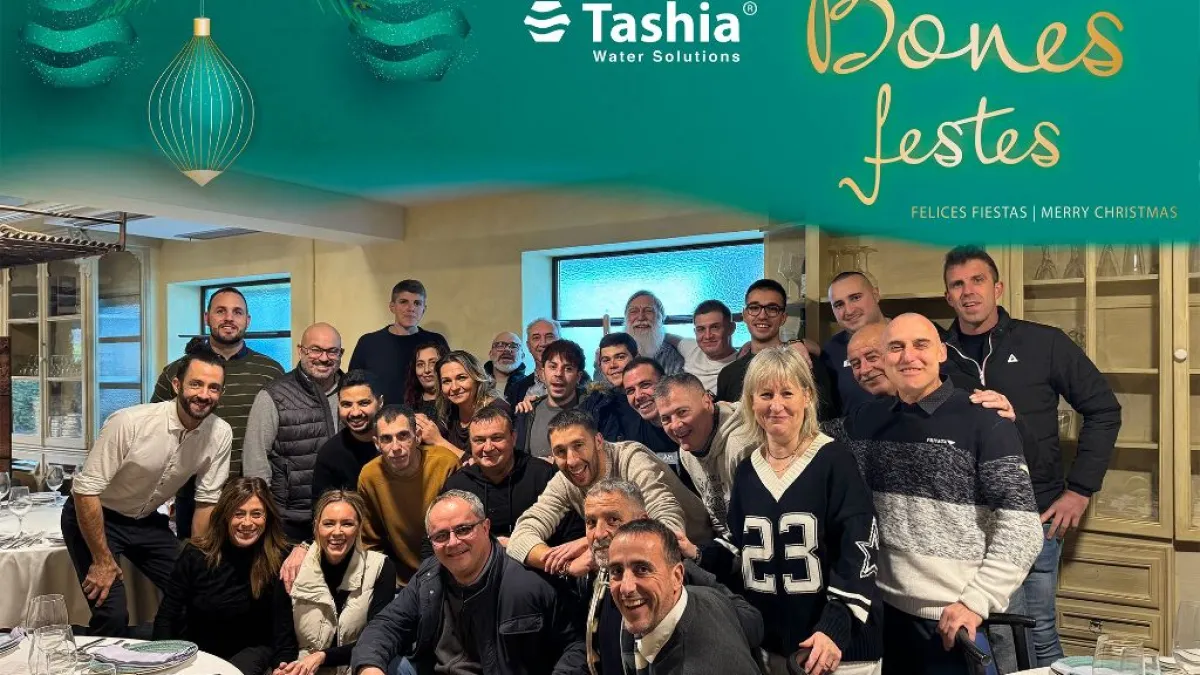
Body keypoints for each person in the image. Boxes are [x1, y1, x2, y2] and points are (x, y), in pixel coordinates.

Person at [939, 246, 1122, 666]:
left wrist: (1079, 490)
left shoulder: (1044, 342)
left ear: (998, 288)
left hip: (1037, 515)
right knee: (986, 637)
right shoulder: (936, 354)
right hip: (968, 524)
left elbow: (1104, 409)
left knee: (1036, 633)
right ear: (948, 296)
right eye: (957, 284)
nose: (968, 292)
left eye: (978, 280)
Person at [839, 313, 1044, 675]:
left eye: (920, 344)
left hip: (954, 620)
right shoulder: (866, 421)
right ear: (885, 358)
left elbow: (1022, 529)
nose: (908, 356)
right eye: (896, 347)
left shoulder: (984, 418)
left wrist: (976, 601)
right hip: (884, 615)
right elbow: (798, 431)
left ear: (941, 352)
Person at [726, 347, 882, 675]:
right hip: (770, 649)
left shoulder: (834, 460)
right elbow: (739, 541)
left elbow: (859, 549)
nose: (776, 405)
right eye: (765, 394)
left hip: (835, 650)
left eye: (787, 393)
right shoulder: (747, 469)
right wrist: (694, 554)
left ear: (807, 396)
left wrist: (836, 626)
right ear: (751, 402)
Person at [63, 352, 232, 636]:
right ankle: (79, 649)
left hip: (146, 522)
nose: (204, 395)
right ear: (177, 385)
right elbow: (85, 491)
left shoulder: (220, 433)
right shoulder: (129, 422)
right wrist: (102, 560)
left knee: (198, 592)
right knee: (113, 613)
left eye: (213, 388)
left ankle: (162, 651)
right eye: (196, 384)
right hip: (95, 514)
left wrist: (200, 562)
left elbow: (206, 502)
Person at [347, 491, 587, 675]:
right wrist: (369, 668)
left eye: (463, 529)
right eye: (441, 535)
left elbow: (577, 646)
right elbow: (387, 625)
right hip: (433, 669)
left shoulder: (530, 580)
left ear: (486, 527)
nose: (453, 542)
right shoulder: (429, 575)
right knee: (383, 663)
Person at [580, 479, 764, 675]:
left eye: (613, 520)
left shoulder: (681, 579)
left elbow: (751, 625)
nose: (599, 534)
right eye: (591, 522)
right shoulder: (600, 574)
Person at [506, 409, 713, 578]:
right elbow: (520, 537)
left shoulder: (631, 459)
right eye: (560, 452)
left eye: (578, 445)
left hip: (698, 556)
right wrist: (566, 565)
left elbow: (668, 524)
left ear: (598, 441)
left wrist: (591, 542)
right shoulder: (564, 480)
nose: (572, 460)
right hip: (633, 562)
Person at [151, 286, 285, 539]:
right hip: (192, 492)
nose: (229, 318)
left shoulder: (270, 371)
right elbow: (156, 430)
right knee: (197, 559)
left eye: (237, 312)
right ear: (207, 317)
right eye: (220, 311)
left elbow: (281, 435)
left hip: (249, 494)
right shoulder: (177, 371)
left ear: (247, 320)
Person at [153, 478, 290, 675]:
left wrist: (282, 665)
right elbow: (168, 614)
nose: (247, 523)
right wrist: (160, 662)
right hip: (199, 648)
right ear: (225, 515)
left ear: (267, 517)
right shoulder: (195, 554)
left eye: (256, 514)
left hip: (252, 648)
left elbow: (283, 626)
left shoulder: (278, 558)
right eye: (238, 513)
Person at [607, 519, 764, 674]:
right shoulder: (708, 595)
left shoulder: (698, 667)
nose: (625, 588)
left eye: (642, 569)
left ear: (677, 576)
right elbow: (752, 623)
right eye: (617, 571)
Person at [272, 490, 396, 675]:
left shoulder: (381, 568)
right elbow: (284, 642)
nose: (337, 532)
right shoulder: (292, 566)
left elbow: (376, 640)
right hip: (304, 668)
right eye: (328, 523)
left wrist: (323, 656)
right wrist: (284, 667)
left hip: (357, 666)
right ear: (316, 527)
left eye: (347, 524)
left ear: (359, 527)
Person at [243, 323, 346, 542]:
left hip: (343, 515)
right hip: (290, 519)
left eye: (332, 351)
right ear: (301, 351)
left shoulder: (352, 393)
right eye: (315, 350)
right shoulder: (273, 395)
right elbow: (255, 460)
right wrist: (262, 511)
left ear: (341, 354)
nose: (324, 358)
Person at [439, 405, 582, 546]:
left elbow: (572, 534)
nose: (488, 448)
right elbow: (439, 536)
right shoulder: (457, 486)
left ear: (513, 438)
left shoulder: (543, 476)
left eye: (496, 438)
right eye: (479, 440)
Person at [357, 405, 459, 585]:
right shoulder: (369, 476)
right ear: (377, 443)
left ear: (417, 436)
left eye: (403, 436)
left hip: (450, 570)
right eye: (386, 439)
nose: (396, 447)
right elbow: (370, 541)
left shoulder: (445, 463)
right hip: (401, 579)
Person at [653, 371, 757, 538]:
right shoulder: (686, 451)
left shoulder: (741, 445)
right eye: (666, 419)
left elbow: (758, 520)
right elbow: (717, 516)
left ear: (707, 402)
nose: (675, 425)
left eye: (682, 412)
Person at [348, 279, 449, 410]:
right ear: (392, 307)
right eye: (403, 302)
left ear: (424, 309)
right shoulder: (368, 343)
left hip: (428, 416)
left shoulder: (436, 341)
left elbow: (449, 380)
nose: (411, 308)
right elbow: (352, 386)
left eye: (417, 303)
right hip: (379, 418)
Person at [310, 370, 383, 508]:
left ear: (380, 402)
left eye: (364, 403)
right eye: (346, 405)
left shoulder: (398, 441)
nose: (355, 412)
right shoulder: (330, 454)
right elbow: (321, 510)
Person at [421, 350, 513, 460]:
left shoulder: (497, 410)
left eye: (461, 378)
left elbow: (487, 463)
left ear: (476, 378)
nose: (454, 387)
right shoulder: (449, 409)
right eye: (446, 381)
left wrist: (439, 441)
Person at [822, 272, 888, 416]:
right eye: (839, 305)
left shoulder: (913, 333)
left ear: (876, 294)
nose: (849, 310)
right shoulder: (831, 351)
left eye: (855, 298)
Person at [402, 341, 448, 421]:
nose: (426, 370)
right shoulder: (410, 402)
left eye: (433, 363)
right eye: (420, 364)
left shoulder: (455, 401)